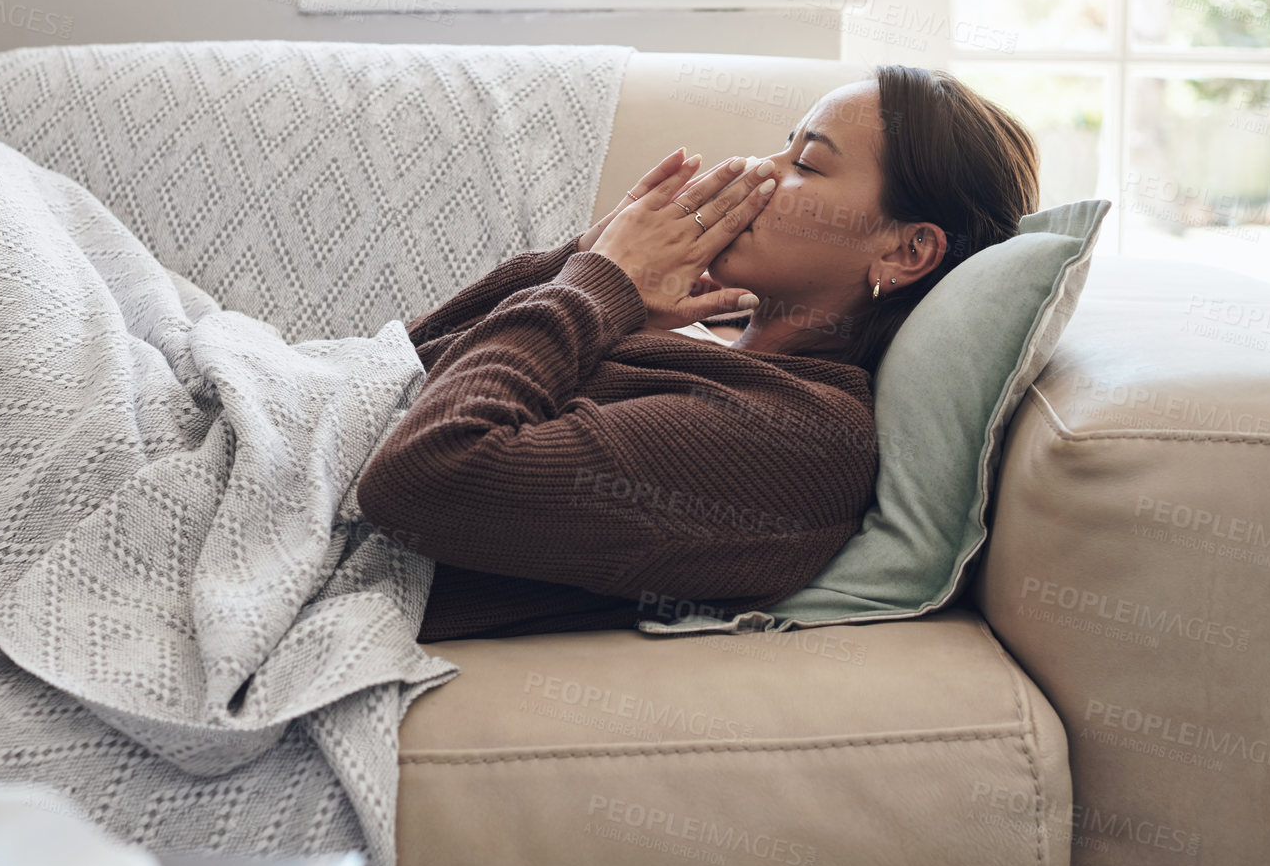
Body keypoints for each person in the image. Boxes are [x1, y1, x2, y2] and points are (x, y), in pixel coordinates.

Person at [355, 64, 1041, 641]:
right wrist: (590, 258)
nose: (753, 170)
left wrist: (598, 285)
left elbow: (423, 475)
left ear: (904, 250)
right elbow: (410, 362)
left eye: (804, 163)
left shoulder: (800, 438)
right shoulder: (688, 324)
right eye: (782, 145)